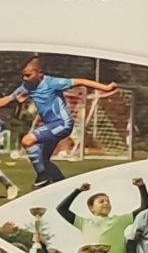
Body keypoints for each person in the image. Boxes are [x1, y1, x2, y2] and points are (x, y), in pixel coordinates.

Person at [18, 58, 117, 188]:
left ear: (39, 73)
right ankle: (63, 185)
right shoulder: (28, 86)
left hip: (61, 124)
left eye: (28, 75)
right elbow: (8, 99)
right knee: (43, 159)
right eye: (24, 75)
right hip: (50, 125)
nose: (25, 78)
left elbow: (80, 81)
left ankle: (43, 177)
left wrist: (106, 88)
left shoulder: (52, 82)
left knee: (27, 141)